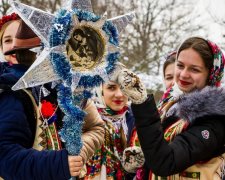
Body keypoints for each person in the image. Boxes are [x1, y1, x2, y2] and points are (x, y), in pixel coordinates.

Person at [0, 13, 105, 180]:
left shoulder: (69, 88)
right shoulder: (10, 91)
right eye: (7, 40)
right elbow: (5, 157)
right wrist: (59, 164)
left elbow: (96, 128)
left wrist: (77, 152)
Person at [116, 37, 225, 179]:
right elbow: (159, 147)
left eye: (194, 69)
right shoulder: (171, 103)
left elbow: (167, 162)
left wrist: (142, 103)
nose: (184, 74)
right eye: (180, 66)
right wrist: (143, 158)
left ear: (211, 74)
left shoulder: (214, 119)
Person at [83, 77, 144, 179]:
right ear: (100, 89)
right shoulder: (86, 117)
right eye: (111, 88)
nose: (119, 94)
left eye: (124, 87)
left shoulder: (137, 119)